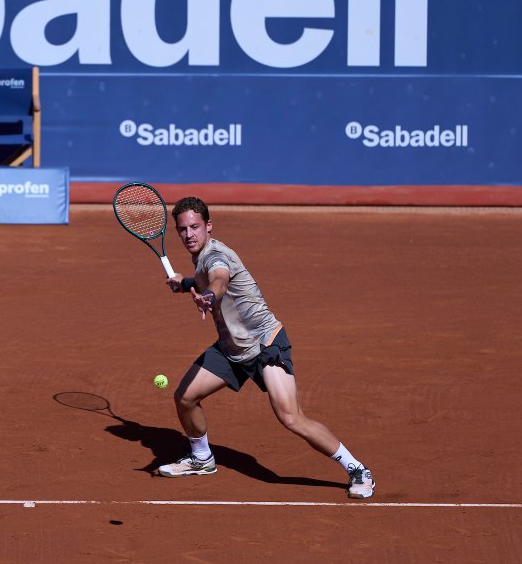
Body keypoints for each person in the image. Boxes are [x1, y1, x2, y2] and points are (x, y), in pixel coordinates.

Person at [157, 196, 375, 500]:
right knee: (185, 397)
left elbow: (219, 278)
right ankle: (202, 459)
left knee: (291, 417)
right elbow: (207, 276)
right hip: (232, 348)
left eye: (195, 227)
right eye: (182, 229)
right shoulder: (203, 256)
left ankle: (357, 469)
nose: (189, 234)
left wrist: (208, 295)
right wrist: (186, 283)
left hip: (264, 345)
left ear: (209, 226)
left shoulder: (216, 256)